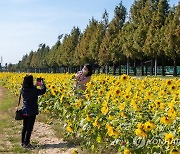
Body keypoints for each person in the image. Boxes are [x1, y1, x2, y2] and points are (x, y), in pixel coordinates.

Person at [21, 75, 46, 148]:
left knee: (25, 127)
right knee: (29, 128)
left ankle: (23, 142)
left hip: (25, 110)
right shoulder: (33, 90)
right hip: (32, 111)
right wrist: (42, 84)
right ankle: (27, 143)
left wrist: (35, 86)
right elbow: (43, 91)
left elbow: (30, 91)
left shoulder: (23, 89)